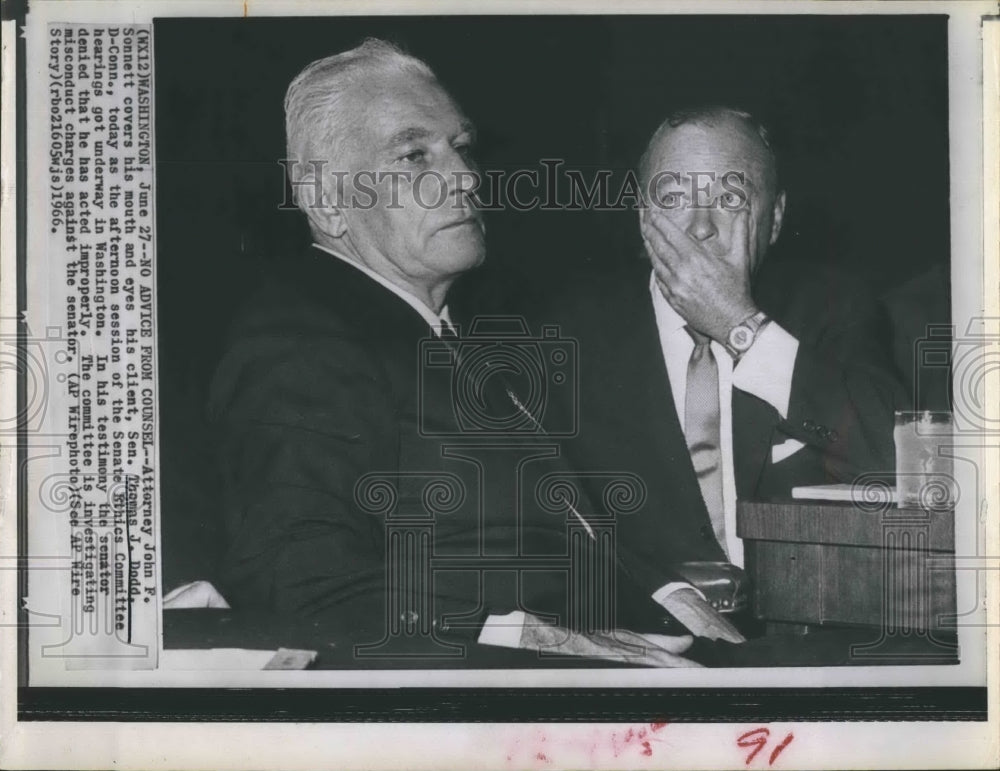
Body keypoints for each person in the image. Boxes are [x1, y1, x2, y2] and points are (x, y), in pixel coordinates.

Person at [207, 39, 696, 666]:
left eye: (460, 147)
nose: (465, 177)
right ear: (327, 200)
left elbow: (560, 517)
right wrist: (532, 639)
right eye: (414, 156)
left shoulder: (452, 332)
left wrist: (666, 591)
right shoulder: (298, 346)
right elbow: (302, 585)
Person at [542, 107, 905, 642]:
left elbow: (900, 463)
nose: (701, 226)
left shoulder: (834, 309)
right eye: (672, 198)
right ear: (643, 218)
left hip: (803, 646)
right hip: (644, 651)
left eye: (731, 198)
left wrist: (741, 326)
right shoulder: (564, 337)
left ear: (776, 218)